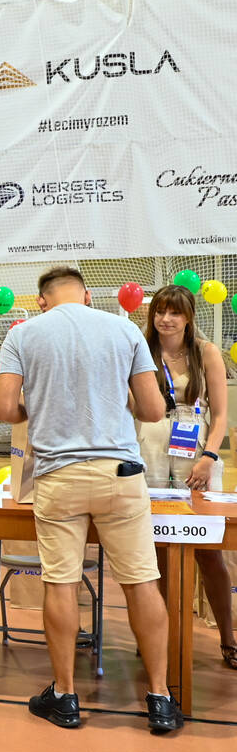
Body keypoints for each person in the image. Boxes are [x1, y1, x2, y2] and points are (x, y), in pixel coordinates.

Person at [0, 266, 182, 733]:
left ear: (41, 300)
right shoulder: (123, 329)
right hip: (121, 475)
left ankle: (65, 696)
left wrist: (37, 408)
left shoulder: (23, 334)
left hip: (59, 476)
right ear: (88, 295)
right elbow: (153, 409)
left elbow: (3, 408)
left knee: (61, 583)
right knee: (141, 581)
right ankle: (160, 697)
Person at [136, 284, 237, 669]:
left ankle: (228, 638)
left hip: (196, 452)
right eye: (160, 311)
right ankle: (158, 636)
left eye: (174, 312)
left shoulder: (205, 352)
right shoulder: (141, 349)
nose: (166, 319)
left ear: (188, 316)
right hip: (148, 447)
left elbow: (221, 414)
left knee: (209, 552)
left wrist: (209, 456)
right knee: (156, 551)